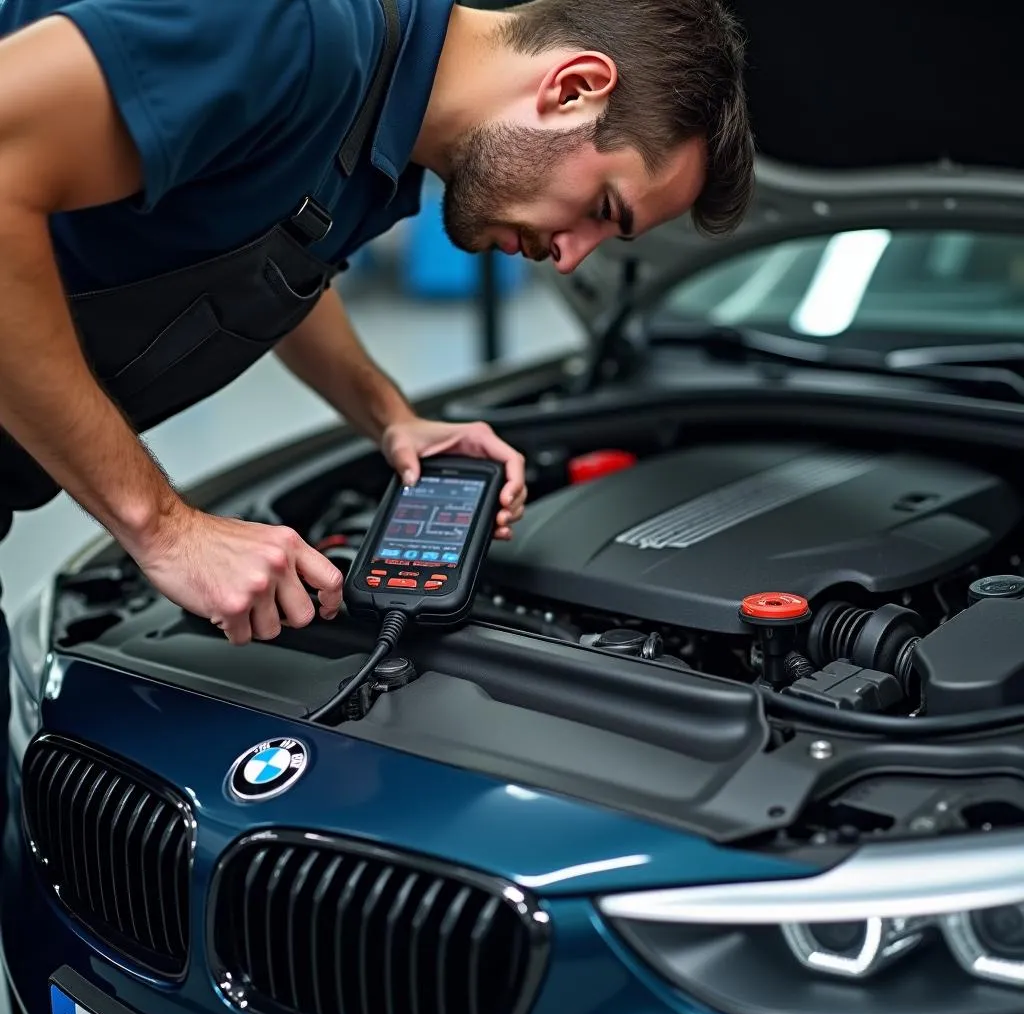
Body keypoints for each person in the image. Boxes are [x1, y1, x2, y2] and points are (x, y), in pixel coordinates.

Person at [0, 0, 752, 649]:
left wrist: (391, 416)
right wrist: (162, 526)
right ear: (574, 89)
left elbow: (260, 261)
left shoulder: (384, 144)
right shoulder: (292, 31)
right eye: (601, 211)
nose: (568, 259)